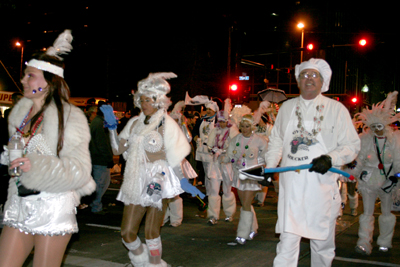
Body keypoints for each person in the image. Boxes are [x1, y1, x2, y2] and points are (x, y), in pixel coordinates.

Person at [0, 30, 95, 267]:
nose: (24, 80)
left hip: (52, 205)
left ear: (49, 80)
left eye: (30, 76)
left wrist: (40, 164)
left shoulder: (70, 116)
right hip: (20, 201)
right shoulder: (22, 114)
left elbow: (80, 170)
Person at [100, 72, 204, 267]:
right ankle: (140, 260)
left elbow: (176, 158)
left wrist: (186, 184)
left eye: (148, 100)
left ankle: (155, 264)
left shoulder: (168, 124)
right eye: (142, 100)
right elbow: (117, 149)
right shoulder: (133, 123)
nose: (144, 104)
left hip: (159, 179)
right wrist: (112, 127)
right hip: (135, 178)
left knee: (151, 232)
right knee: (127, 233)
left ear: (158, 101)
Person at [264, 58, 360, 266]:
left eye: (313, 75)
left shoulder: (336, 109)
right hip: (292, 189)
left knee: (322, 245)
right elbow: (276, 140)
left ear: (322, 80)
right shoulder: (287, 107)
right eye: (304, 75)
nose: (308, 79)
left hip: (322, 188)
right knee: (287, 243)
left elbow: (352, 145)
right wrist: (270, 167)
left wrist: (330, 158)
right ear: (298, 81)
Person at [350, 91, 400, 255]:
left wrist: (396, 178)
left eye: (379, 126)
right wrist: (350, 175)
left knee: (387, 212)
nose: (377, 130)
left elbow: (399, 163)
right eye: (373, 127)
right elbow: (359, 161)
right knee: (367, 213)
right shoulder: (365, 140)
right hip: (368, 180)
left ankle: (385, 241)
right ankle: (364, 242)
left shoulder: (395, 140)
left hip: (387, 181)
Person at [226, 112, 268, 244]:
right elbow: (229, 155)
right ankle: (253, 228)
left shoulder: (259, 140)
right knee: (246, 204)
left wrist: (260, 167)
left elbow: (266, 156)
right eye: (242, 126)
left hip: (252, 175)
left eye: (247, 126)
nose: (244, 129)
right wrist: (222, 157)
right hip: (239, 175)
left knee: (245, 204)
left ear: (252, 127)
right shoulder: (236, 139)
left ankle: (242, 234)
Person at [205, 100, 239, 225]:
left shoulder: (233, 131)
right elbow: (209, 144)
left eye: (224, 121)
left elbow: (236, 146)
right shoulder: (215, 130)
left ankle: (229, 213)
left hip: (226, 163)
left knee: (227, 189)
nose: (222, 123)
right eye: (220, 121)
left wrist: (224, 151)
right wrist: (213, 149)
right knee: (214, 189)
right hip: (215, 163)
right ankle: (213, 215)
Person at [89, 101, 114, 214]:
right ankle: (96, 206)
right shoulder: (100, 124)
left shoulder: (97, 122)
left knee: (102, 183)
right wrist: (108, 158)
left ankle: (95, 204)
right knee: (101, 184)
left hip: (96, 157)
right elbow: (102, 143)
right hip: (100, 159)